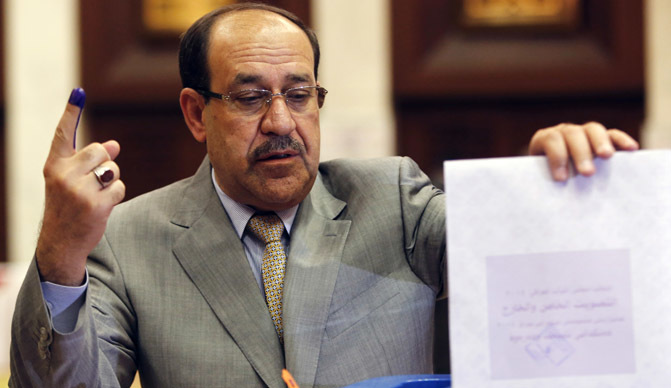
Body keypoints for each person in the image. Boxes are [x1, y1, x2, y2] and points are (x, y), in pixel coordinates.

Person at [9, 3, 639, 387]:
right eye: (252, 97)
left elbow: (523, 271)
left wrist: (543, 191)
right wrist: (61, 253)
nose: (282, 122)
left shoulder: (391, 198)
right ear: (197, 114)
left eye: (301, 94)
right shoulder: (130, 240)